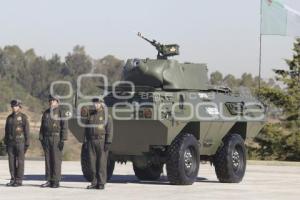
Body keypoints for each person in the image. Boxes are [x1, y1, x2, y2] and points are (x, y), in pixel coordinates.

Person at [81, 98, 113, 190]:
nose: (96, 105)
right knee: (92, 163)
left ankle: (101, 182)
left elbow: (109, 130)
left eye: (98, 103)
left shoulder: (106, 115)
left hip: (101, 141)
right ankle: (94, 182)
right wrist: (85, 140)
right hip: (91, 141)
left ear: (101, 104)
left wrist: (108, 142)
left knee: (101, 163)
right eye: (94, 103)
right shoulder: (90, 115)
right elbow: (86, 129)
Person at [39, 95, 68, 188]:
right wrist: (41, 138)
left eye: (54, 101)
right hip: (47, 138)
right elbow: (42, 127)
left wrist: (63, 139)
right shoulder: (46, 113)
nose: (51, 102)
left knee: (56, 160)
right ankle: (48, 180)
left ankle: (55, 180)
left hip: (56, 138)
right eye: (50, 101)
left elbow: (64, 127)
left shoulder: (61, 112)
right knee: (48, 160)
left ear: (57, 102)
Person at [4, 99, 30, 187]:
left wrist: (27, 142)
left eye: (15, 106)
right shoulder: (9, 117)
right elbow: (6, 131)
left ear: (19, 107)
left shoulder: (23, 117)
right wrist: (6, 142)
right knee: (11, 162)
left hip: (20, 142)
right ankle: (13, 179)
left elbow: (26, 131)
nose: (14, 108)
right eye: (13, 106)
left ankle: (18, 180)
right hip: (10, 143)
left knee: (20, 162)